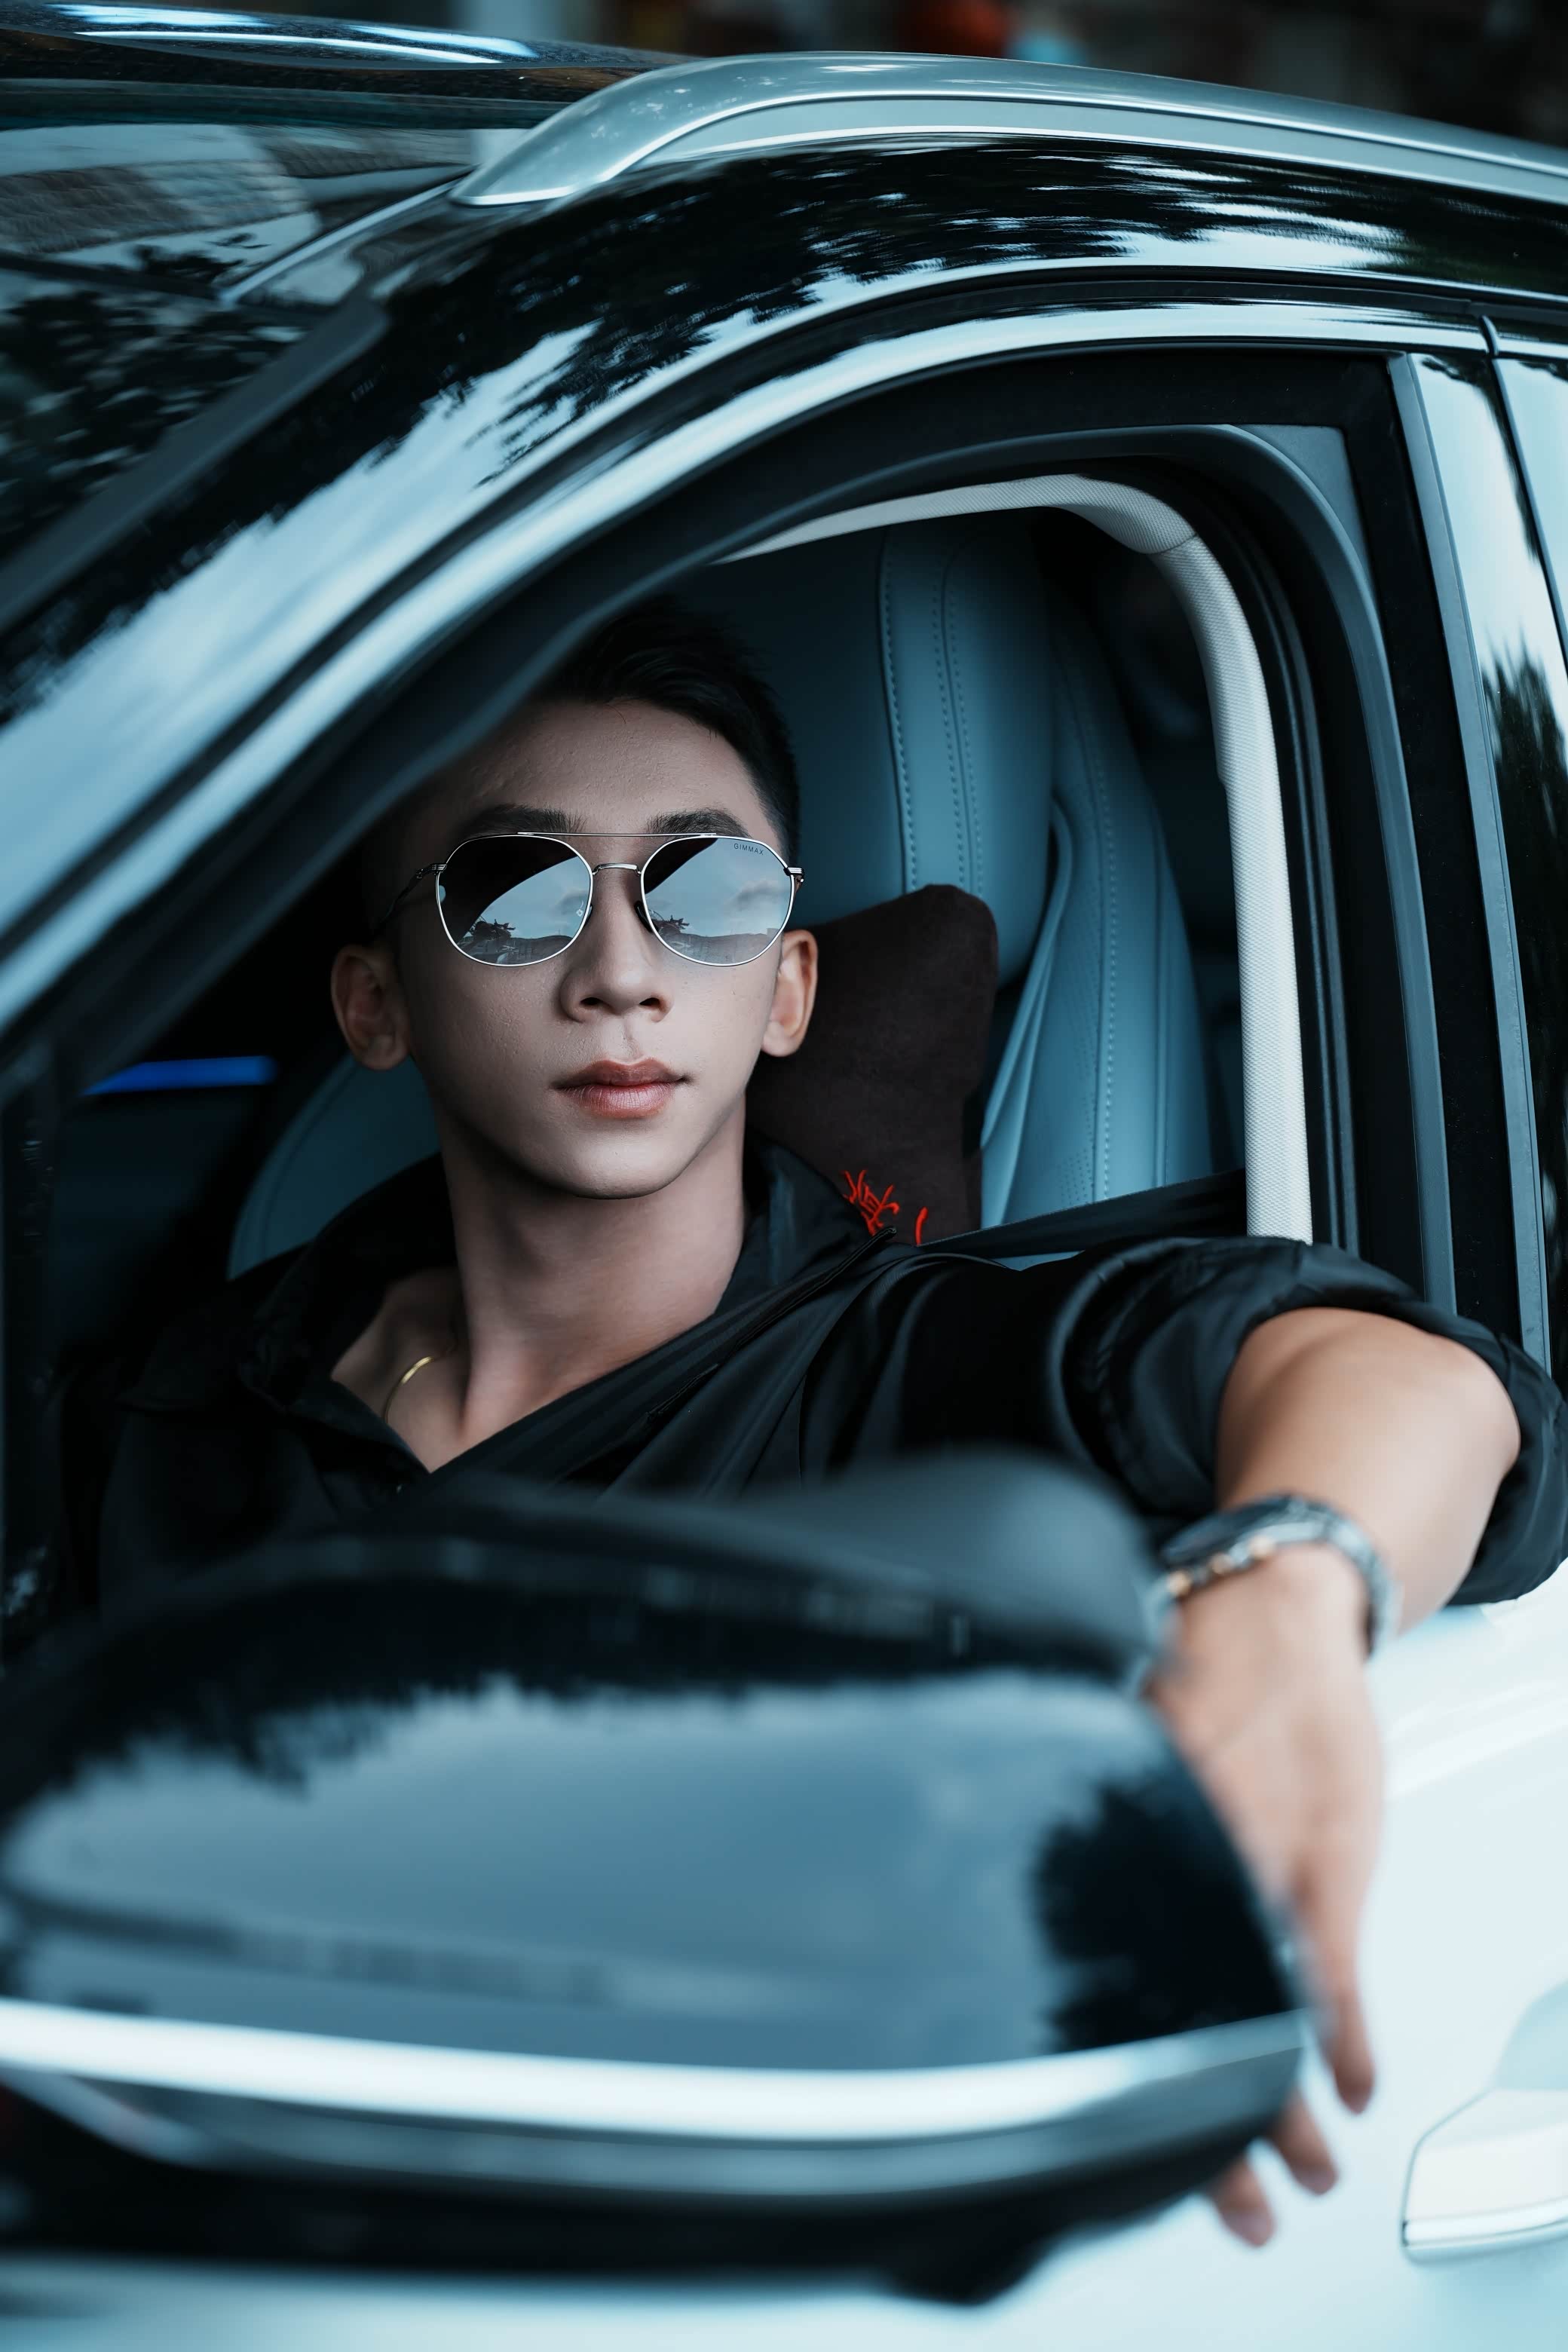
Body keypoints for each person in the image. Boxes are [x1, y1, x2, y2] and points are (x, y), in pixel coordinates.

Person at [61, 602, 1566, 2249]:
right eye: (517, 892)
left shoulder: (898, 1362)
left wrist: (1282, 1597)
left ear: (786, 989)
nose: (621, 972)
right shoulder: (188, 1385)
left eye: (705, 892)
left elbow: (1426, 1387)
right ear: (376, 1003)